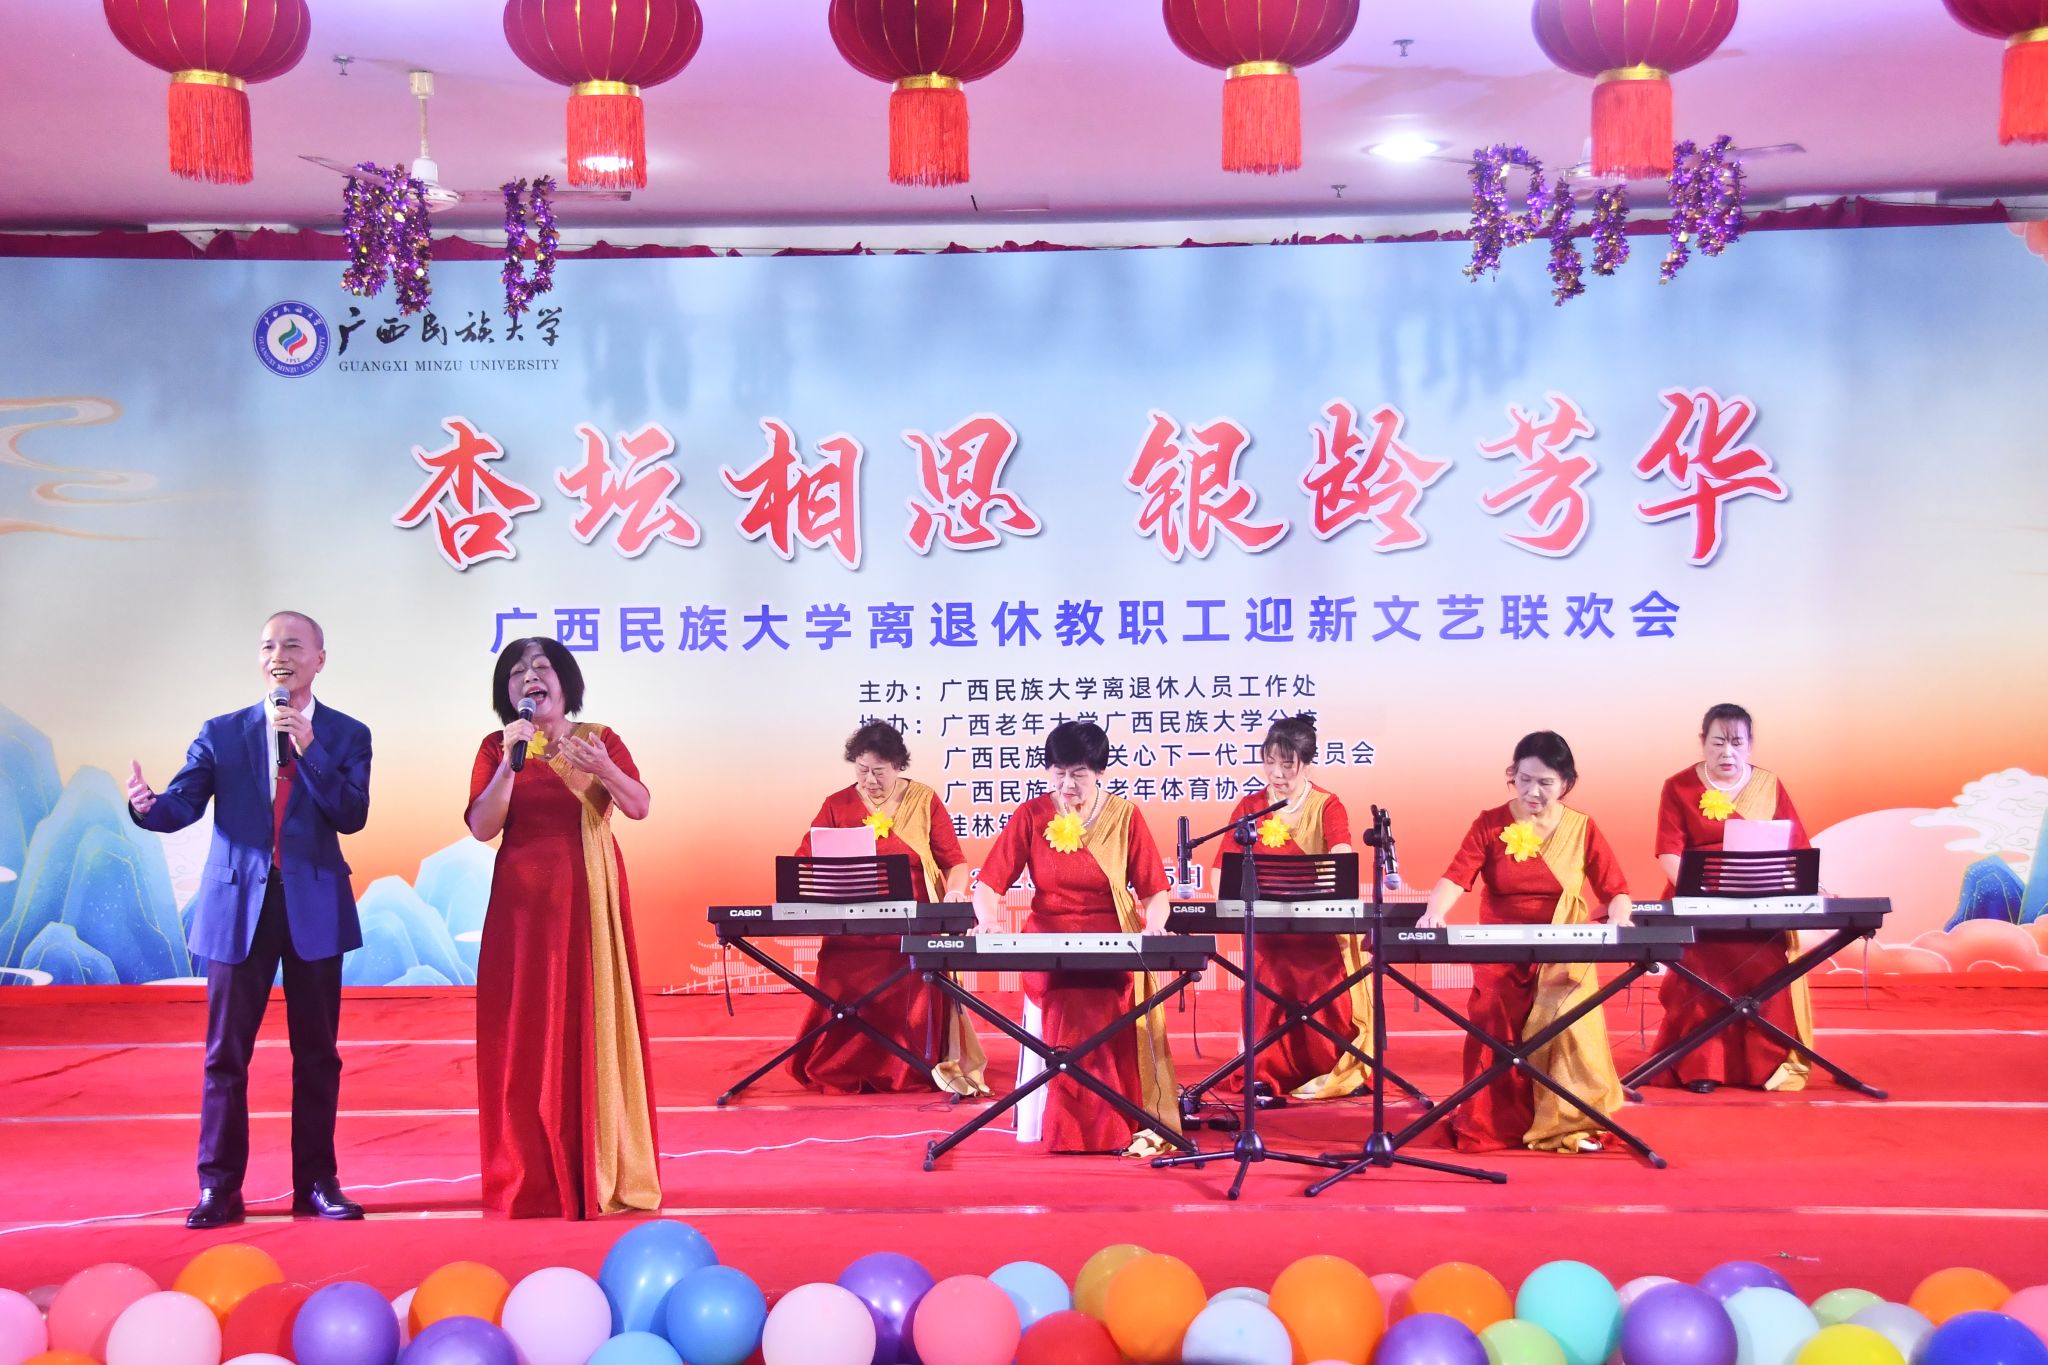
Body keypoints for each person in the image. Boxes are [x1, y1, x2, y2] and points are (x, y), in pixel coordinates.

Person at [126, 611, 371, 1228]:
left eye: (292, 644)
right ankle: (218, 1188)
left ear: (319, 659)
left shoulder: (346, 734)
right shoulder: (223, 733)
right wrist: (149, 808)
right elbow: (182, 804)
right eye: (268, 646)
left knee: (318, 1055)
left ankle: (316, 1183)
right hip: (239, 908)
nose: (278, 655)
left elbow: (351, 815)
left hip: (314, 906)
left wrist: (309, 749)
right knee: (225, 1055)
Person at [465, 638, 659, 1218]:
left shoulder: (599, 738)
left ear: (564, 681)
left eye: (541, 668)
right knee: (525, 1026)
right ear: (506, 692)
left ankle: (598, 1163)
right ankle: (530, 1169)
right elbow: (483, 827)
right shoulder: (497, 746)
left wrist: (604, 769)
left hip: (589, 898)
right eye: (516, 672)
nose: (529, 678)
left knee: (590, 1017)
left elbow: (639, 807)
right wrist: (511, 760)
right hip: (522, 908)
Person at [1415, 731, 1633, 1153]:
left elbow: (1616, 889)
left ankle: (1566, 1121)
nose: (1533, 792)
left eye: (1545, 783)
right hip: (1499, 949)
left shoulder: (1582, 827)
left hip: (1563, 948)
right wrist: (1434, 912)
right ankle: (1494, 1122)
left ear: (1566, 782)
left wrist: (1620, 918)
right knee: (1493, 1011)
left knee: (1568, 1017)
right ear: (1512, 775)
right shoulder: (1490, 822)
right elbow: (1456, 876)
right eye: (1524, 780)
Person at [972, 721, 1178, 1155]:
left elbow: (1154, 891)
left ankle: (1100, 1122)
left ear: (1100, 772)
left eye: (1078, 774)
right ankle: (1086, 1126)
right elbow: (988, 884)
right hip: (1048, 939)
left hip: (1112, 939)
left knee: (1102, 998)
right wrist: (988, 919)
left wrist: (1155, 925)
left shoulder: (1124, 816)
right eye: (1058, 773)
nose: (1066, 784)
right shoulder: (1031, 816)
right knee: (1069, 998)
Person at [789, 721, 988, 1096]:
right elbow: (805, 859)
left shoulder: (923, 800)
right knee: (838, 977)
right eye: (862, 769)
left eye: (879, 771)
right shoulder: (837, 804)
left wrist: (955, 893)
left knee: (914, 980)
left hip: (913, 923)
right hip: (851, 926)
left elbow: (954, 862)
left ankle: (909, 1068)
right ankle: (843, 1067)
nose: (869, 780)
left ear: (898, 766)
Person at [1647, 703, 1814, 1093]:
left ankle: (1762, 1067)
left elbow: (1796, 848)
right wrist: (1699, 896)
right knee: (1699, 973)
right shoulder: (1679, 786)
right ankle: (1701, 1067)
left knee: (1767, 970)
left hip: (1759, 900)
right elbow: (1669, 853)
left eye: (1737, 742)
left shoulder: (1769, 785)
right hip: (1698, 901)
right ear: (1703, 742)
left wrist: (1808, 887)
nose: (1728, 752)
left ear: (1750, 744)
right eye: (1718, 742)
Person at [1207, 714, 1363, 1100]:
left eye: (1288, 764)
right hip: (1269, 932)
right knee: (1269, 977)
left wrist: (1333, 884)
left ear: (1307, 764)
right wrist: (1227, 907)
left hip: (1318, 932)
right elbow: (1221, 867)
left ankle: (1326, 1067)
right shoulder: (1251, 806)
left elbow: (1341, 851)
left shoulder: (1327, 804)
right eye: (1269, 762)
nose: (1276, 773)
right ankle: (1266, 1069)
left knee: (1325, 986)